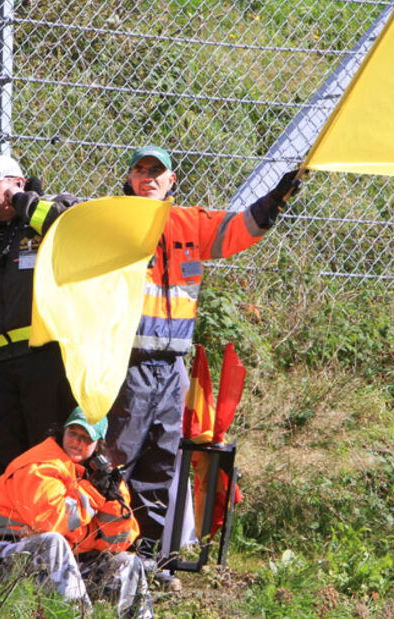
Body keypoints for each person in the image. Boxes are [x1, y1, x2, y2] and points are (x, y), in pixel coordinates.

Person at [105, 146, 298, 585]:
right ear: (130, 179)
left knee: (159, 466)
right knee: (117, 464)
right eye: (140, 169)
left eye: (157, 171)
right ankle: (108, 556)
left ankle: (148, 561)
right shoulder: (114, 219)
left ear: (171, 181)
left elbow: (240, 229)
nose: (148, 176)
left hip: (173, 366)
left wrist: (276, 200)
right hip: (128, 362)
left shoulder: (190, 223)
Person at [0, 154, 80, 498]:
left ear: (17, 183)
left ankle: (47, 532)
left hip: (44, 356)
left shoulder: (50, 209)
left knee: (45, 447)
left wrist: (23, 203)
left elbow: (66, 225)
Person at [0, 407, 153, 618]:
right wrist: (93, 494)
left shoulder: (102, 478)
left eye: (86, 438)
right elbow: (51, 523)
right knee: (52, 543)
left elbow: (116, 543)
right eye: (72, 433)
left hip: (59, 561)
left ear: (98, 444)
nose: (76, 442)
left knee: (127, 563)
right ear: (62, 431)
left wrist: (111, 501)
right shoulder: (40, 464)